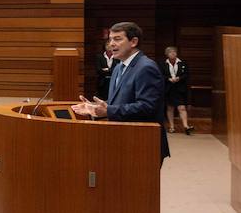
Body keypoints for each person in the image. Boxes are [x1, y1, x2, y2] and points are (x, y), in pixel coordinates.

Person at [72, 21, 169, 161]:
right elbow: (120, 101)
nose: (112, 43)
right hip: (122, 139)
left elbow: (148, 107)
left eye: (117, 39)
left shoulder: (146, 67)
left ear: (133, 41)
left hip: (143, 143)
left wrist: (109, 110)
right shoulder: (118, 67)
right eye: (110, 39)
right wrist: (95, 108)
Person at [163, 46, 194, 135]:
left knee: (182, 107)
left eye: (174, 52)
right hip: (169, 89)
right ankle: (171, 127)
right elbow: (161, 75)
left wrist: (179, 78)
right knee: (170, 108)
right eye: (170, 52)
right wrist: (168, 79)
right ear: (167, 54)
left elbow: (186, 74)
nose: (173, 54)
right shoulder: (163, 64)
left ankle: (186, 126)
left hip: (179, 88)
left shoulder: (182, 63)